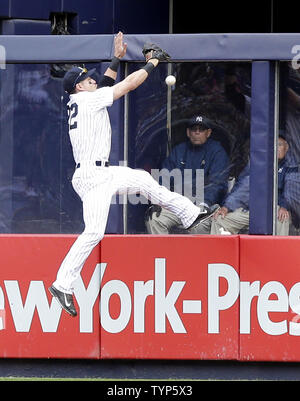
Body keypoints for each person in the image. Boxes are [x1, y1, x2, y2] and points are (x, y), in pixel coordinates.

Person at [48, 37, 214, 317]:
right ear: (79, 86)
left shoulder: (84, 98)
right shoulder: (87, 100)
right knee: (94, 232)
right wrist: (152, 63)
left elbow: (106, 85)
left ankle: (188, 214)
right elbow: (127, 85)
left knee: (143, 181)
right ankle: (62, 284)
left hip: (100, 171)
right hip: (93, 176)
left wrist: (116, 59)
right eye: (88, 80)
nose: (94, 81)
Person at [145, 115, 229, 234]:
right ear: (188, 132)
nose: (197, 133)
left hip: (206, 206)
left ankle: (196, 253)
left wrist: (205, 204)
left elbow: (218, 183)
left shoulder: (217, 152)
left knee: (199, 225)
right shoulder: (179, 150)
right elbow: (164, 177)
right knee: (155, 218)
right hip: (178, 205)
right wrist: (161, 201)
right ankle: (161, 252)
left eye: (201, 130)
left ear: (208, 133)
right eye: (194, 130)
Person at [210, 136, 291, 236]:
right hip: (250, 209)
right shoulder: (257, 164)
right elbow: (241, 188)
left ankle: (277, 252)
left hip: (274, 210)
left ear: (286, 148)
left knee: (283, 218)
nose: (276, 148)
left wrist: (284, 206)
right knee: (219, 219)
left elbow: (290, 190)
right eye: (273, 145)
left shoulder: (290, 166)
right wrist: (227, 207)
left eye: (279, 145)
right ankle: (221, 251)